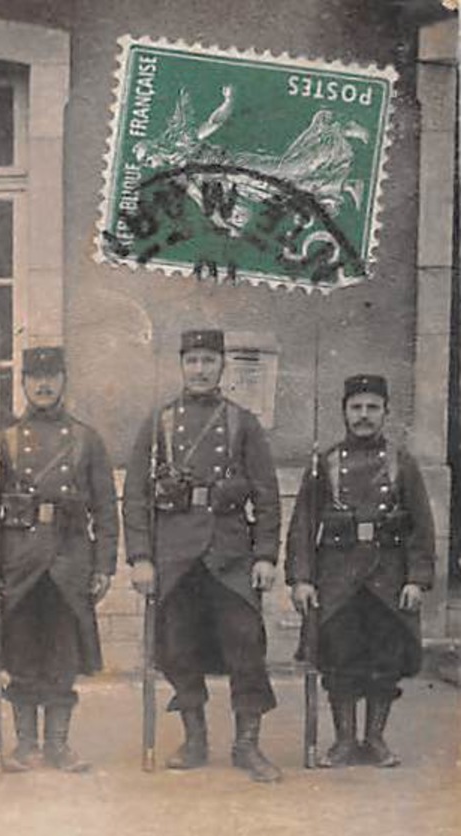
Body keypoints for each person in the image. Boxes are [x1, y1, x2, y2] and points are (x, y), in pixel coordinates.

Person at [122, 328, 284, 783]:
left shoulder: (242, 423)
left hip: (229, 553)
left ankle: (247, 744)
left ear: (222, 367)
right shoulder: (158, 423)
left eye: (208, 361)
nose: (199, 369)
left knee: (246, 643)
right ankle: (194, 738)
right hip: (174, 554)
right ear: (181, 365)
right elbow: (134, 496)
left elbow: (268, 496)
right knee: (176, 647)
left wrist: (266, 555)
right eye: (191, 360)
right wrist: (140, 557)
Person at [0, 346, 117, 772]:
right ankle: (26, 744)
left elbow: (106, 508)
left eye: (51, 375)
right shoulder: (4, 441)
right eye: (35, 377)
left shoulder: (87, 440)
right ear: (23, 384)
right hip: (18, 564)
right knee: (20, 654)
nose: (44, 384)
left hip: (69, 563)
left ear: (65, 380)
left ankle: (59, 745)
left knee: (62, 656)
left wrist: (104, 565)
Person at [286, 374, 434, 768]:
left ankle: (376, 740)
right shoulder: (325, 464)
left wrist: (417, 579)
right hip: (338, 578)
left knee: (385, 662)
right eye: (356, 407)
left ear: (386, 412)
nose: (363, 416)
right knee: (340, 659)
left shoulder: (402, 463)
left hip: (387, 576)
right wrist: (301, 578)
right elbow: (303, 523)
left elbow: (422, 525)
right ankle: (345, 740)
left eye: (372, 407)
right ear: (344, 412)